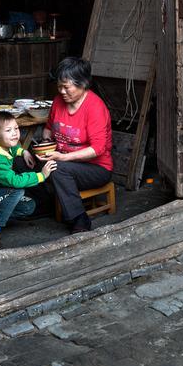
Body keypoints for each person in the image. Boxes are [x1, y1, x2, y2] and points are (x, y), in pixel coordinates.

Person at [36, 57, 113, 234]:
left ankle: (80, 219)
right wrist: (45, 145)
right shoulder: (57, 101)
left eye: (66, 87)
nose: (62, 91)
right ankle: (39, 206)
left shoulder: (94, 107)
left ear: (83, 84)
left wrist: (63, 157)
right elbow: (49, 129)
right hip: (64, 161)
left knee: (57, 168)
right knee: (22, 161)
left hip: (96, 168)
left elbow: (98, 149)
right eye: (59, 86)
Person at [0, 111, 57, 251]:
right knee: (17, 191)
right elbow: (15, 181)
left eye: (16, 128)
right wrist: (41, 175)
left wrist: (23, 152)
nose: (15, 133)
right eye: (8, 130)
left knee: (28, 206)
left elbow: (11, 147)